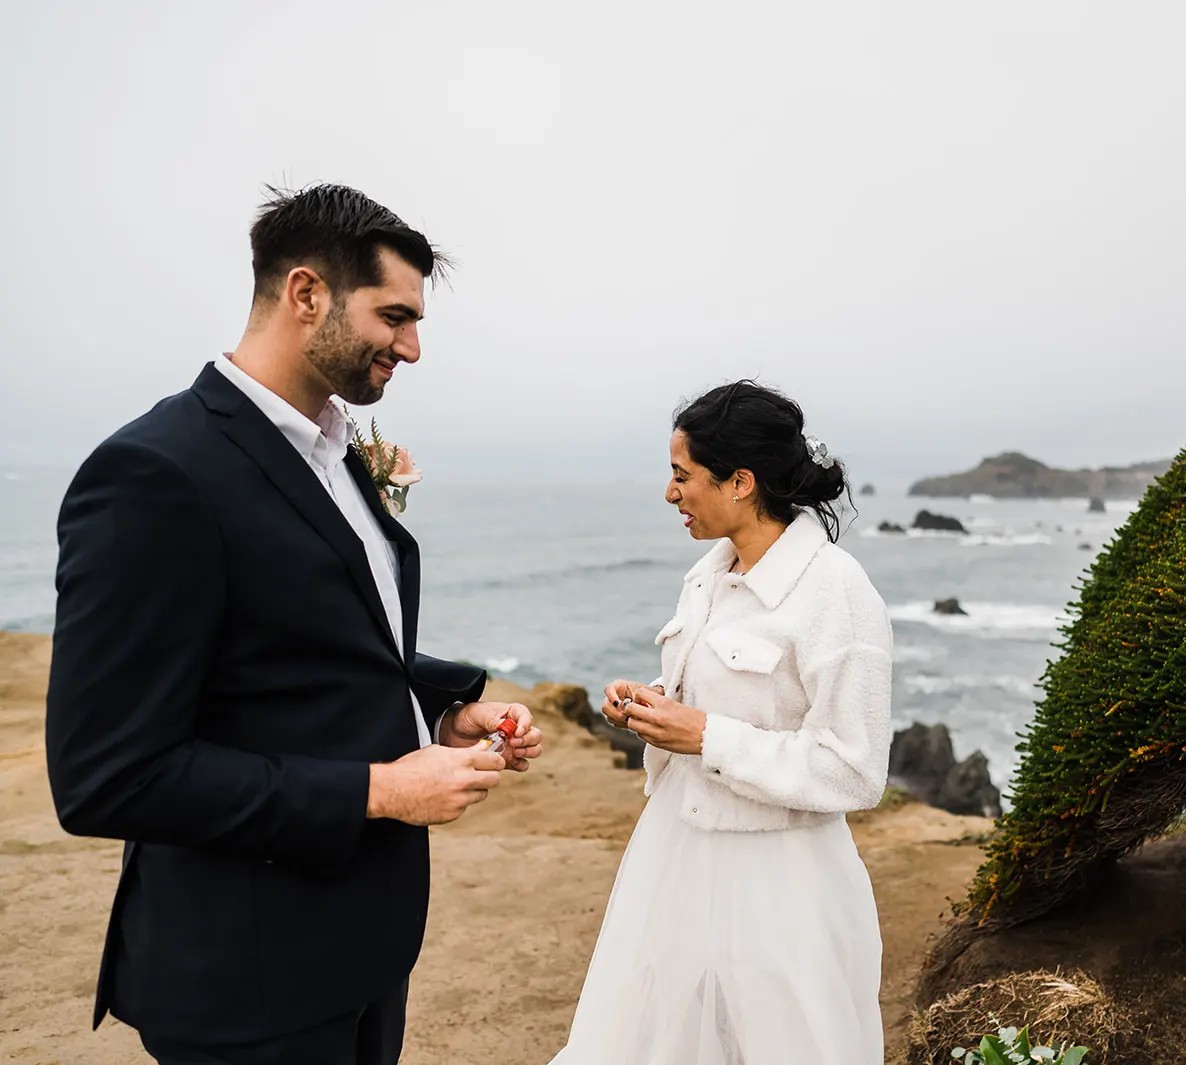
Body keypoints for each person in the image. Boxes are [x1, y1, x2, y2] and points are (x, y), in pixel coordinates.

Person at [44, 183, 542, 1065]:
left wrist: (435, 708)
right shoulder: (156, 474)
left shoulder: (335, 450)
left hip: (362, 952)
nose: (414, 348)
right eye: (394, 316)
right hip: (249, 986)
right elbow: (107, 776)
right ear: (306, 293)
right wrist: (380, 790)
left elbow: (303, 640)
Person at [552, 380, 893, 1063]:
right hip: (674, 863)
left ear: (741, 481)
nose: (670, 492)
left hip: (782, 891)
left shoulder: (836, 590)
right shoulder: (708, 574)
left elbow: (856, 770)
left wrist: (703, 735)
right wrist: (650, 705)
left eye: (683, 476)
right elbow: (720, 697)